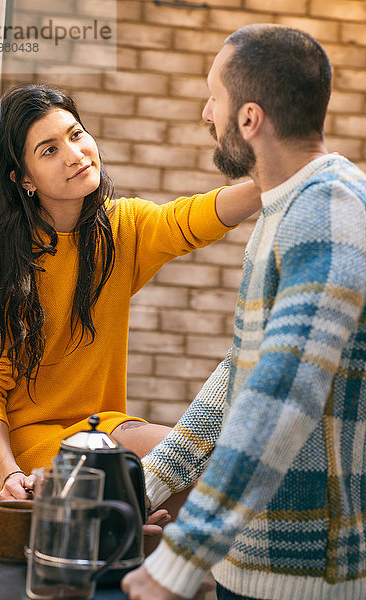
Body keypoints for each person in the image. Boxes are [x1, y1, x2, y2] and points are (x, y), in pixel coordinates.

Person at [122, 24, 366, 600]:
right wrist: (151, 483)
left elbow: (282, 394)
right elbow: (242, 371)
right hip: (248, 566)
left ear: (249, 118)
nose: (207, 113)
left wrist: (179, 560)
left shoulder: (329, 210)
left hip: (305, 578)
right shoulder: (284, 208)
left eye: (215, 98)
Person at [0, 84, 261, 503]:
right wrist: (8, 473)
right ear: (24, 178)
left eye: (75, 134)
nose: (74, 154)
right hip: (19, 448)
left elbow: (189, 220)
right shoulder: (6, 262)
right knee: (191, 468)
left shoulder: (122, 229)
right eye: (49, 150)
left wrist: (270, 183)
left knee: (196, 470)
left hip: (100, 429)